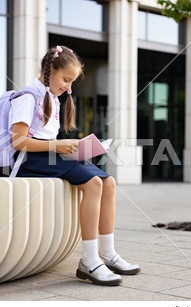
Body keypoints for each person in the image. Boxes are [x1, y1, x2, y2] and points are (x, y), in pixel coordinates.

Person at [9, 45, 140, 286]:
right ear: (49, 71)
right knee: (92, 183)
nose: (68, 87)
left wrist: (72, 147)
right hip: (30, 161)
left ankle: (108, 253)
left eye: (72, 83)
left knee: (108, 182)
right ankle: (89, 261)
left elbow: (50, 141)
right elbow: (18, 141)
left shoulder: (53, 99)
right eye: (66, 80)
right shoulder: (28, 97)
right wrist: (58, 145)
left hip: (49, 156)